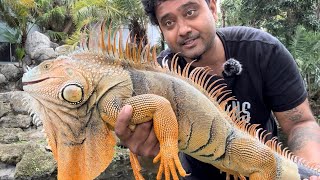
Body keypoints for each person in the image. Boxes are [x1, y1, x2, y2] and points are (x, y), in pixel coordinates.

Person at [114, 0, 320, 179]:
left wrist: (310, 170)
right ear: (161, 30)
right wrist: (146, 152)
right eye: (169, 22)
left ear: (212, 7)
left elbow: (300, 123)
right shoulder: (154, 79)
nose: (183, 29)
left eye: (190, 12)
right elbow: (155, 156)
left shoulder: (262, 50)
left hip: (266, 169)